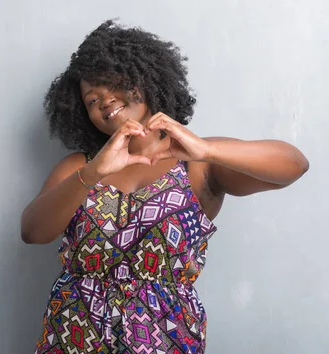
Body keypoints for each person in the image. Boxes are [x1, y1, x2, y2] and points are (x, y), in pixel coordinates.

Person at [21, 20, 309, 354]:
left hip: (165, 339)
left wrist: (207, 149)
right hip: (74, 335)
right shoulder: (79, 168)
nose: (104, 101)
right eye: (91, 99)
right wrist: (93, 172)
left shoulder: (198, 164)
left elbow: (293, 165)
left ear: (145, 78)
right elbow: (32, 231)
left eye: (113, 84)